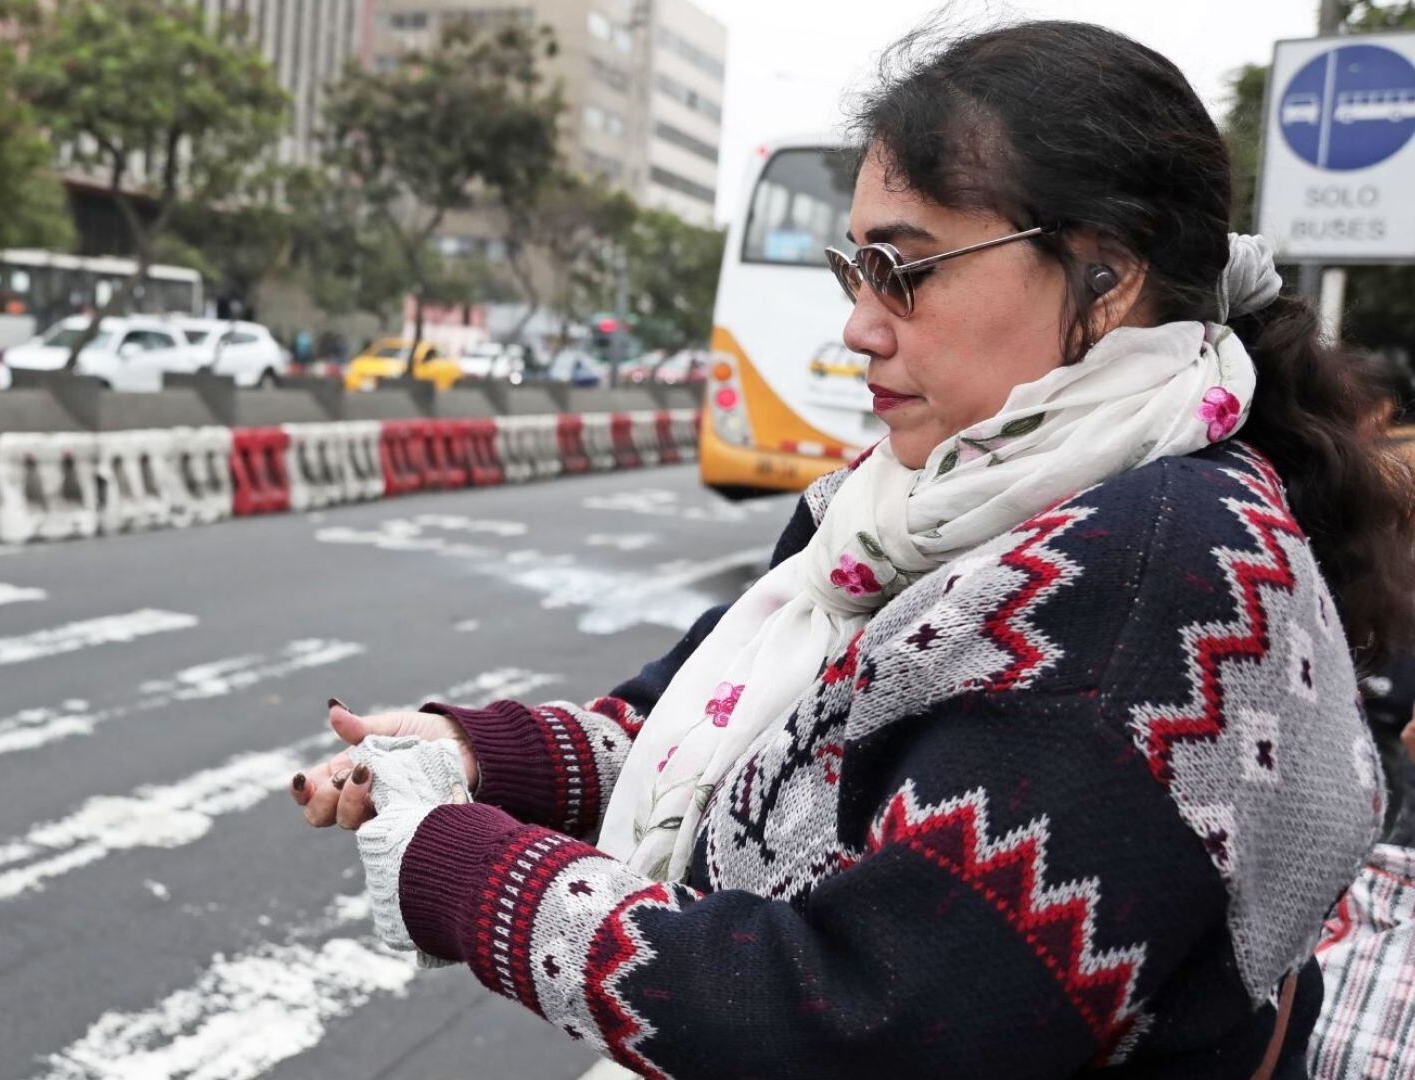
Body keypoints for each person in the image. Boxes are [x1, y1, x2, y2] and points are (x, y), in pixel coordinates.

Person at [291, 20, 1415, 1078]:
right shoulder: (914, 502)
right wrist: (469, 753)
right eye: (856, 268)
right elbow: (697, 724)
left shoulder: (1141, 576)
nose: (860, 326)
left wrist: (465, 869)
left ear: (1107, 278)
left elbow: (865, 1025)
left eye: (907, 270)